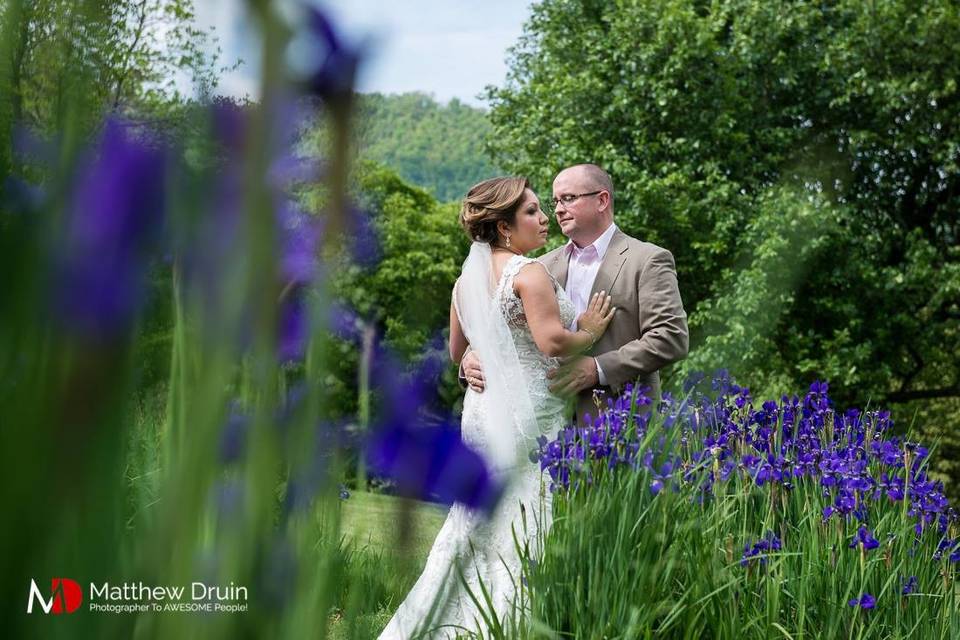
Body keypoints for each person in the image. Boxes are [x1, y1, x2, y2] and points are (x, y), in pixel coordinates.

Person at [377, 176, 615, 639]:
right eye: (531, 211)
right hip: (527, 418)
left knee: (474, 524)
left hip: (482, 414)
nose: (545, 217)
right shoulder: (530, 273)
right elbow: (551, 343)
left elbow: (455, 351)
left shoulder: (464, 281)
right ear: (504, 226)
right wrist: (587, 330)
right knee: (520, 527)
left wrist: (470, 356)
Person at [461, 163, 688, 422]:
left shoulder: (647, 260)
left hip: (621, 423)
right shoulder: (537, 267)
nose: (557, 209)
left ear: (602, 200)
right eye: (555, 200)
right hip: (544, 427)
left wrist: (598, 369)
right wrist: (470, 360)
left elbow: (670, 337)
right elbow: (499, 328)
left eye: (568, 198)